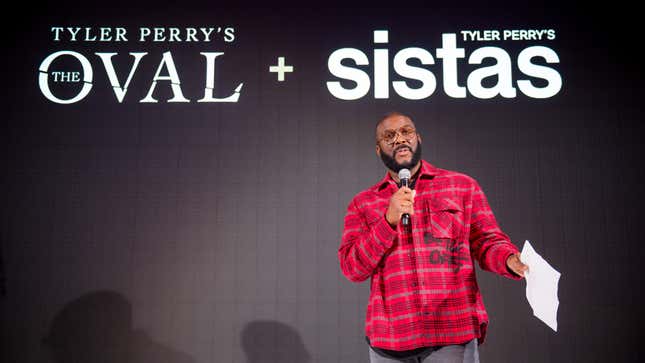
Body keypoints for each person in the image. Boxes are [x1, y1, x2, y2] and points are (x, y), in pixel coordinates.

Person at [338, 112, 528, 363]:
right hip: (390, 342)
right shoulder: (362, 203)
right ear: (378, 149)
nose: (399, 139)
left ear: (418, 138)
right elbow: (352, 268)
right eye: (389, 136)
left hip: (451, 332)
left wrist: (508, 259)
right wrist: (387, 221)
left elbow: (487, 241)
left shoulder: (461, 186)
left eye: (406, 132)